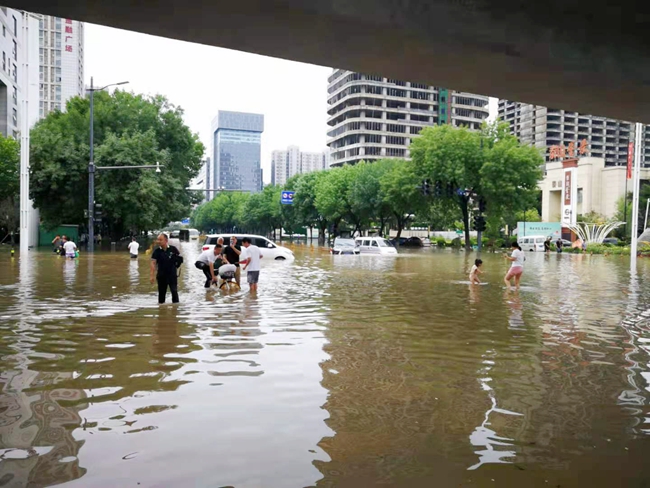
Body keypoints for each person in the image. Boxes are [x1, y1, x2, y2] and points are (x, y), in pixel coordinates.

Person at [150, 233, 181, 304]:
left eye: (160, 240)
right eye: (158, 240)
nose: (158, 241)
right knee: (161, 295)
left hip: (172, 275)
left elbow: (179, 260)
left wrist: (178, 264)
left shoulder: (173, 249)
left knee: (174, 292)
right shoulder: (156, 251)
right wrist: (152, 276)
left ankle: (175, 311)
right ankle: (161, 311)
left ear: (166, 240)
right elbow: (153, 263)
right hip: (161, 276)